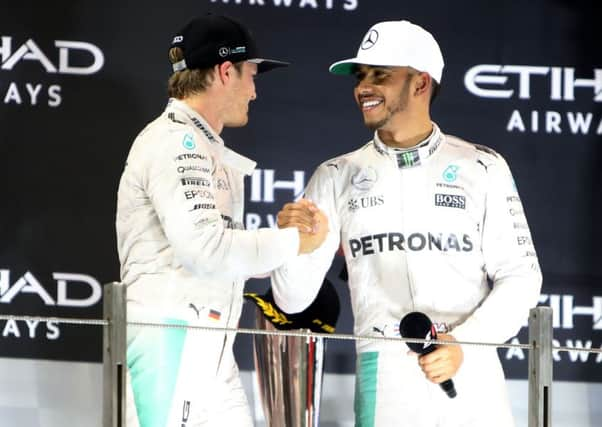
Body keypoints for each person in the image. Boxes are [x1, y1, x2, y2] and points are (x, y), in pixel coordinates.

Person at [271, 20, 542, 427]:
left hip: (472, 373)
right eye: (361, 76)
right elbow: (292, 301)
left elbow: (522, 277)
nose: (363, 87)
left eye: (380, 75)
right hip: (384, 378)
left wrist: (463, 343)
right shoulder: (335, 174)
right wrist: (295, 246)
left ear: (420, 84)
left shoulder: (482, 166)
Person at [115, 14, 327, 427]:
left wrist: (285, 238)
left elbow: (225, 255)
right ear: (225, 71)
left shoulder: (204, 147)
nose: (254, 91)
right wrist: (291, 243)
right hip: (170, 340)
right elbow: (206, 252)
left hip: (210, 345)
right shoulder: (176, 141)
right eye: (251, 75)